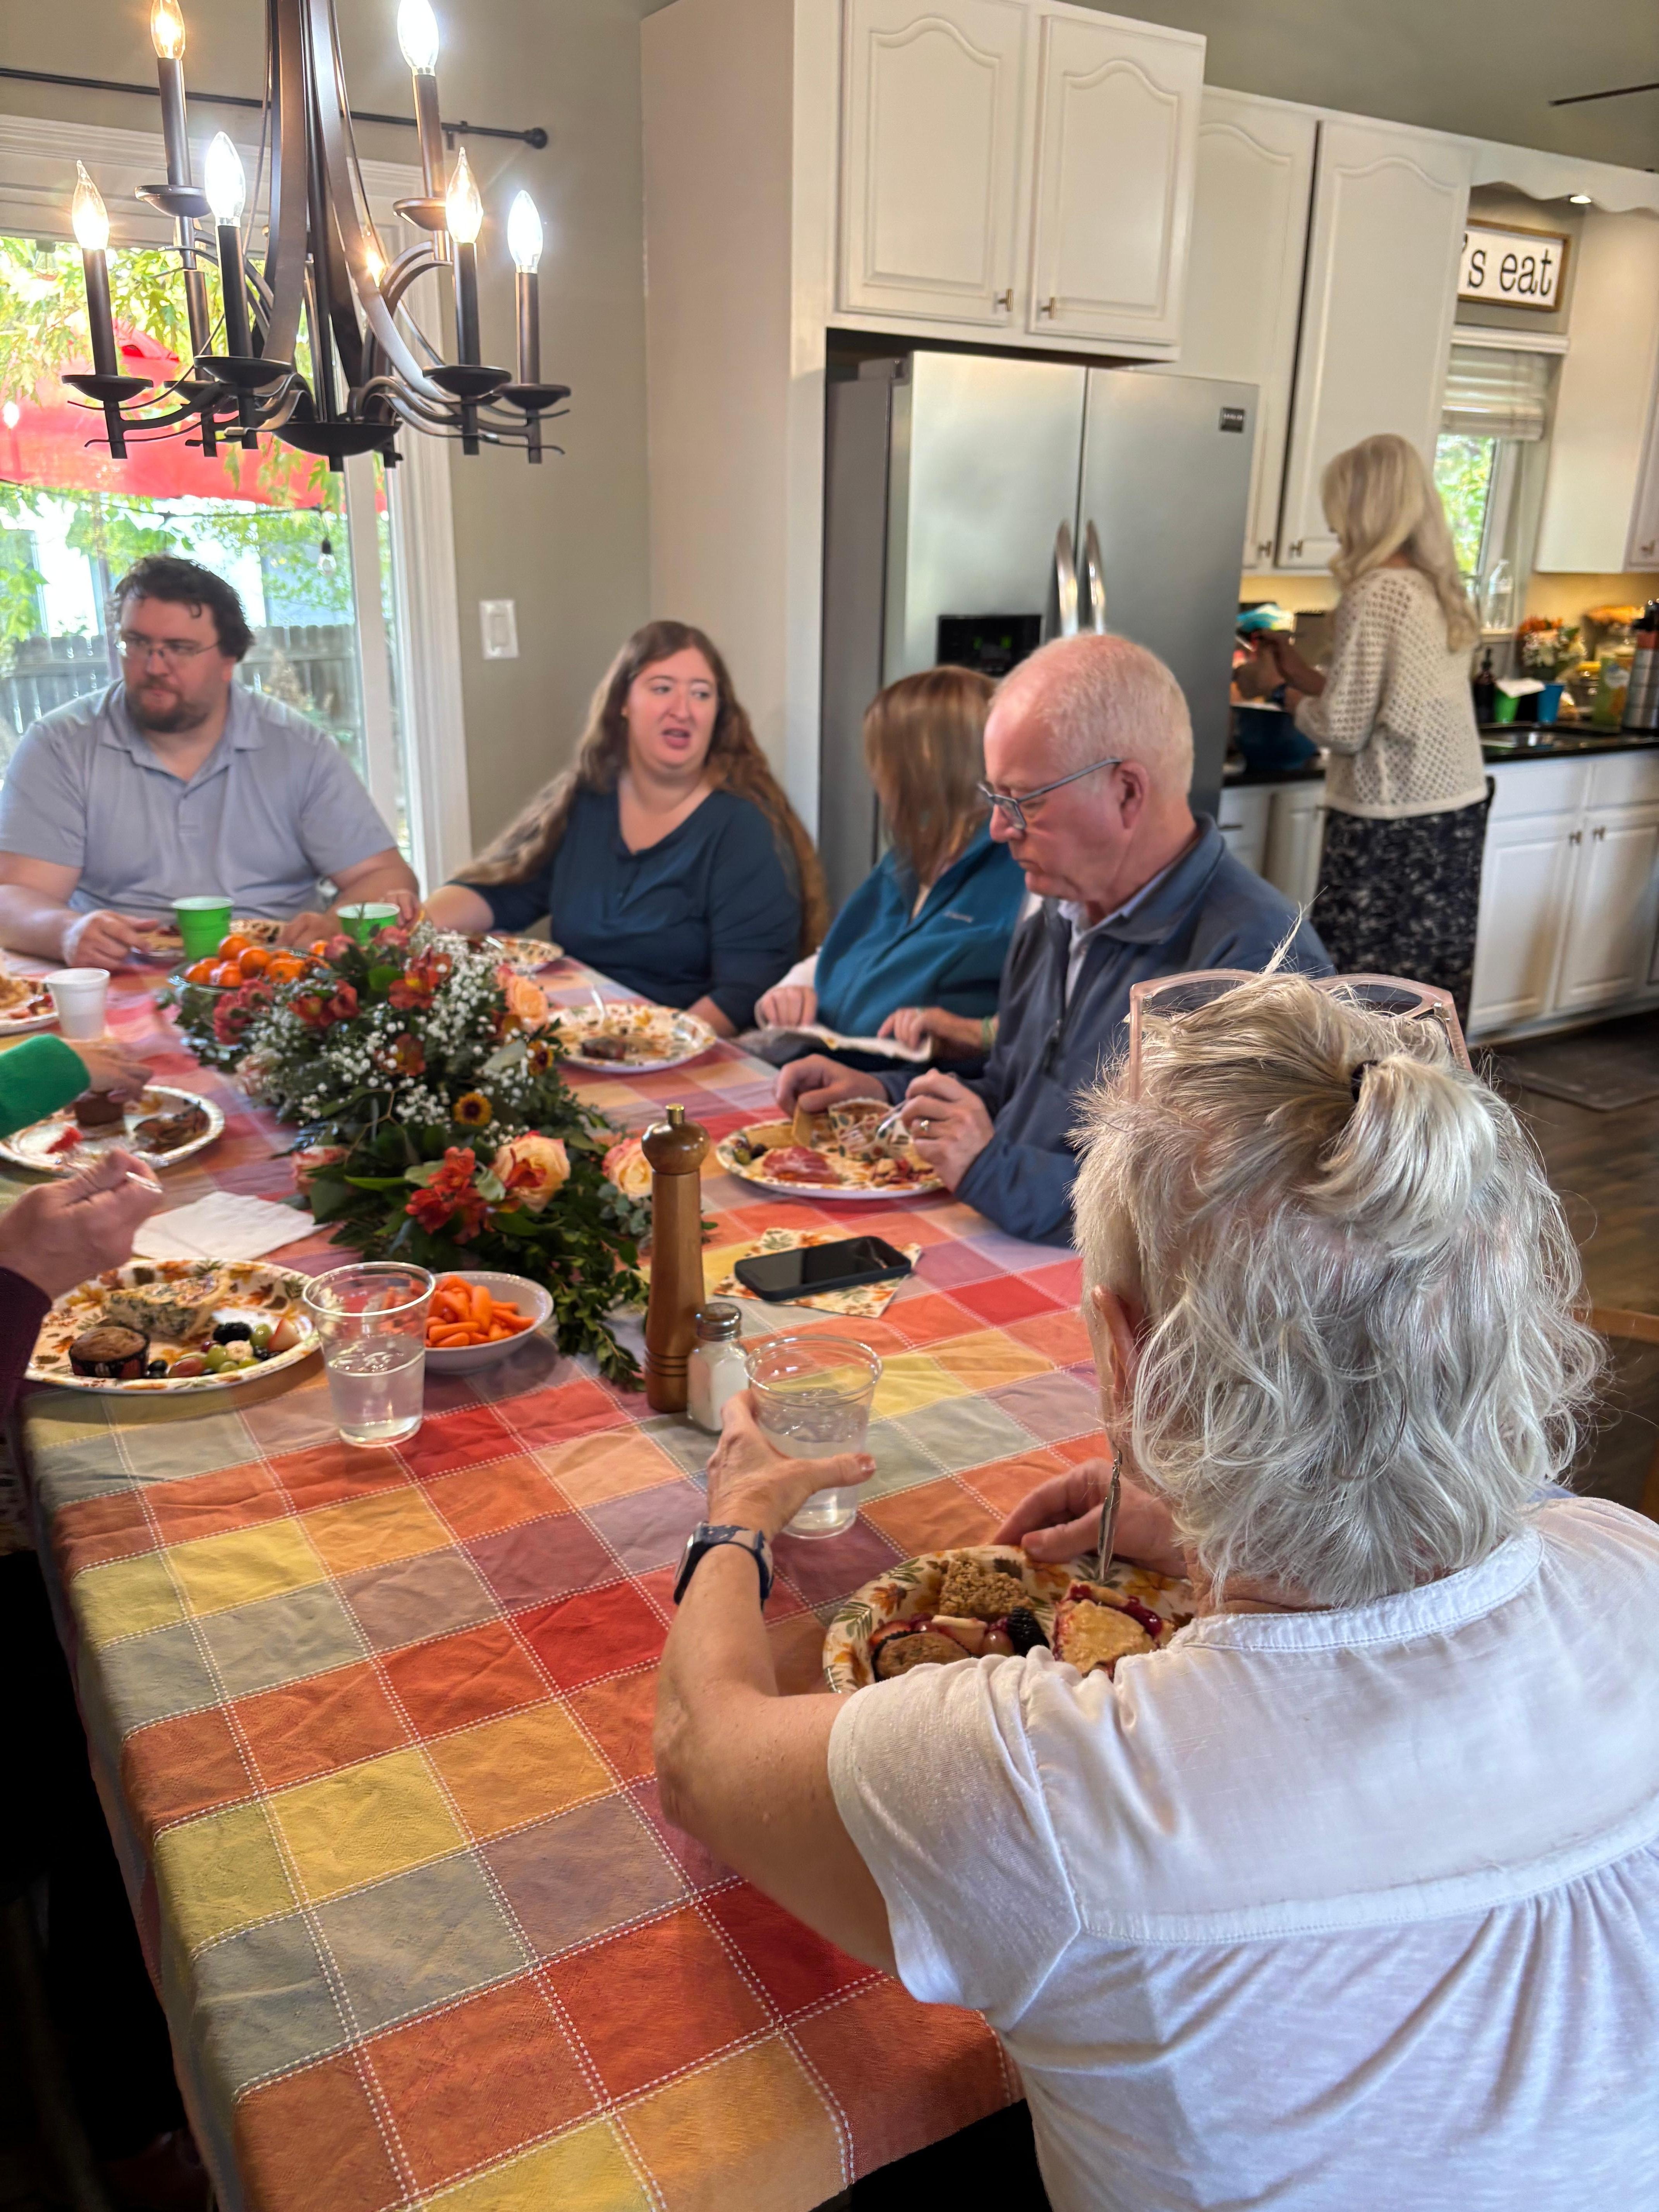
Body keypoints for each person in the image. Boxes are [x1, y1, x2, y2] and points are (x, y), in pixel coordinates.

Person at [654, 967, 1658, 2212]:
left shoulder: (1056, 1791)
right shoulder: (1629, 1560)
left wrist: (735, 1521)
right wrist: (1195, 1522)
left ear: (1128, 1358)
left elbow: (698, 1751)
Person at [776, 634, 1328, 1244]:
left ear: (1127, 792)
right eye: (995, 797)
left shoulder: (1254, 962)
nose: (998, 828)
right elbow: (1013, 1091)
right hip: (1010, 1240)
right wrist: (884, 1095)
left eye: (1024, 801)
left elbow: (1204, 1218)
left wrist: (991, 1169)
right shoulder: (1061, 911)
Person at [0, 555, 417, 970]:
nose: (153, 666)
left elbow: (385, 876)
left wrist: (330, 926)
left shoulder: (299, 748)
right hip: (117, 974)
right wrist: (67, 932)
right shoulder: (62, 745)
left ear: (228, 660)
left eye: (179, 649)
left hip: (273, 975)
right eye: (137, 643)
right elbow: (13, 897)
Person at [424, 621, 825, 1036]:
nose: (683, 709)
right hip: (578, 1035)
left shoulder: (744, 829)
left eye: (701, 694)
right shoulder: (586, 799)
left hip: (683, 1049)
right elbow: (500, 889)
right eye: (662, 688)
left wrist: (646, 1048)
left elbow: (745, 991)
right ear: (623, 702)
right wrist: (412, 928)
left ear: (719, 714)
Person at [1238, 432, 1491, 1018]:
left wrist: (1276, 690)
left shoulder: (1375, 592)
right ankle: (1432, 1082)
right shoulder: (1434, 586)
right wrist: (1298, 670)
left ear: (1363, 507)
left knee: (1363, 995)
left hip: (1389, 820)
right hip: (1451, 816)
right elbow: (1378, 700)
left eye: (1339, 507)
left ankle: (1366, 1084)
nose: (1334, 523)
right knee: (1426, 991)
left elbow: (1346, 727)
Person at [754, 668, 1024, 1062]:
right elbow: (845, 948)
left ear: (925, 764)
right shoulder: (908, 858)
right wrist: (791, 990)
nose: (876, 775)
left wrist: (970, 1034)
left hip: (908, 1086)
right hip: (824, 1061)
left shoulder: (1019, 878)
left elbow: (1028, 1027)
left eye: (883, 757)